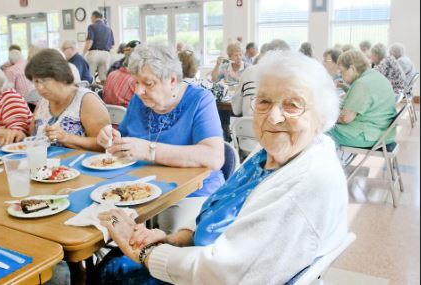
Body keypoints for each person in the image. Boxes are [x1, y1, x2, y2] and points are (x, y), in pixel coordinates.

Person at [96, 51, 347, 284]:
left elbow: (222, 273)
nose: (273, 117)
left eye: (293, 105)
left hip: (212, 274)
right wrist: (176, 239)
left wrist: (147, 253)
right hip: (204, 252)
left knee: (113, 268)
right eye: (264, 102)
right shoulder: (272, 154)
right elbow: (224, 210)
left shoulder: (302, 185)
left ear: (322, 117)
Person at [97, 44, 225, 234]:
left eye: (148, 84)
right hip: (139, 189)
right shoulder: (138, 100)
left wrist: (150, 150)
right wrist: (112, 139)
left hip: (190, 193)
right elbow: (124, 138)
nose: (139, 91)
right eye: (136, 83)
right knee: (100, 223)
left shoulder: (200, 100)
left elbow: (214, 157)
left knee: (172, 232)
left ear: (172, 80)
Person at [25, 48, 110, 151]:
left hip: (77, 164)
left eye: (44, 80)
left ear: (61, 75)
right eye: (36, 81)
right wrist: (20, 134)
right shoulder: (44, 101)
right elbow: (32, 135)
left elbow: (104, 144)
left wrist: (67, 138)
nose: (39, 87)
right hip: (46, 164)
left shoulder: (86, 100)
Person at [329, 50, 396, 148]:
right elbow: (366, 99)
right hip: (383, 132)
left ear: (352, 68)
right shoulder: (374, 75)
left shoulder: (361, 84)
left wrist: (327, 118)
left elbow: (345, 118)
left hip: (367, 135)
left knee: (319, 131)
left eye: (342, 72)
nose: (341, 75)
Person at [232, 39, 291, 117]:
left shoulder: (249, 71)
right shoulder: (287, 77)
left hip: (247, 126)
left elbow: (236, 110)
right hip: (272, 126)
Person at [83, 10, 115, 85]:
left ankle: (92, 93)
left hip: (94, 53)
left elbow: (90, 42)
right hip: (106, 54)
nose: (91, 19)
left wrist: (83, 53)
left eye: (91, 17)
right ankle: (104, 93)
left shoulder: (92, 26)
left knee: (90, 76)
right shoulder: (109, 29)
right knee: (104, 79)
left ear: (94, 17)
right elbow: (112, 46)